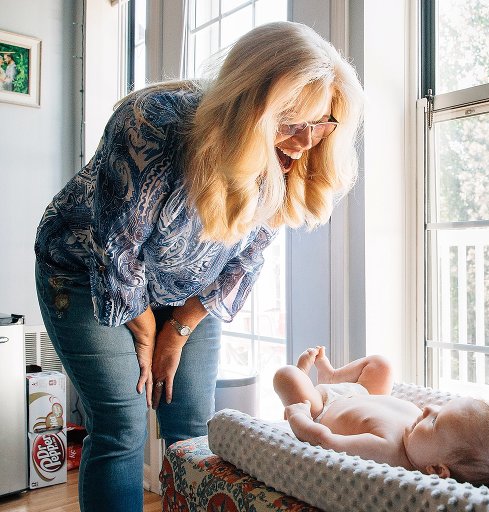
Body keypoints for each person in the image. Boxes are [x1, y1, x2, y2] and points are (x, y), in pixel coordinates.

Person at [34, 21, 364, 512]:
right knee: (122, 425)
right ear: (248, 103)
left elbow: (246, 260)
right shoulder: (150, 123)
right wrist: (146, 330)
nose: (304, 141)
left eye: (321, 124)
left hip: (186, 288)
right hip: (86, 274)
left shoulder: (295, 156)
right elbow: (118, 247)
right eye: (291, 122)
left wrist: (179, 329)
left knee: (190, 426)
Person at [274, 347, 489, 488]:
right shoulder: (420, 434)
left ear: (436, 470)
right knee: (381, 365)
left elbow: (325, 441)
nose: (429, 409)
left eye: (435, 421)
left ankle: (308, 384)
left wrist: (300, 418)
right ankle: (333, 376)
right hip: (362, 393)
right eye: (441, 408)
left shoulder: (386, 449)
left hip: (325, 407)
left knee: (286, 376)